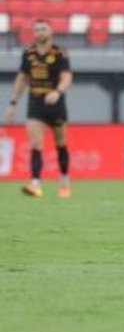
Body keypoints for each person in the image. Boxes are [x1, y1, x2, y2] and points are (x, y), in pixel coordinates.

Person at [4, 19, 73, 198]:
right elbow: (22, 78)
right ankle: (35, 184)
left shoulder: (60, 53)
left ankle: (64, 180)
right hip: (35, 102)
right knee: (35, 144)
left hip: (55, 103)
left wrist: (57, 92)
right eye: (36, 30)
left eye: (43, 29)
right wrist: (13, 103)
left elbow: (66, 77)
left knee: (61, 144)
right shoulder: (28, 53)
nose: (39, 32)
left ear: (50, 31)